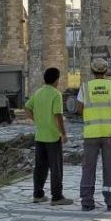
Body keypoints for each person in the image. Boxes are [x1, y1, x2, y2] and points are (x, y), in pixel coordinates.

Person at [77, 58, 111, 212]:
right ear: (106, 71)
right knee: (110, 169)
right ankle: (110, 202)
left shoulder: (85, 87)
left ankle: (87, 202)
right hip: (110, 134)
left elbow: (79, 108)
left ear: (92, 71)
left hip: (91, 134)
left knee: (88, 168)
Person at [24, 67, 73, 206]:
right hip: (53, 136)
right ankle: (57, 197)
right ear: (57, 79)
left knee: (40, 167)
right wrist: (63, 133)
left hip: (40, 136)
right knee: (56, 168)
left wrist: (36, 120)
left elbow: (27, 107)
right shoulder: (56, 94)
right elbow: (58, 116)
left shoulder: (38, 93)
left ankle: (38, 194)